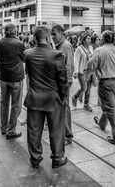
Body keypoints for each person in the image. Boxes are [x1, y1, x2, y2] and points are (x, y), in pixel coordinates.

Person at [24, 26, 68, 169]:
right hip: (53, 98)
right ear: (48, 38)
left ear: (34, 38)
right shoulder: (56, 55)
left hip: (35, 98)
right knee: (56, 129)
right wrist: (63, 96)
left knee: (34, 130)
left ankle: (35, 158)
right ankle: (57, 158)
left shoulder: (28, 54)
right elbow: (63, 80)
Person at [0, 23, 25, 139]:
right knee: (16, 105)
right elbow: (24, 58)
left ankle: (3, 128)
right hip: (16, 77)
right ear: (14, 32)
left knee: (4, 103)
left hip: (4, 77)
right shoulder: (19, 44)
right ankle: (11, 130)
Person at [87, 30, 115, 145]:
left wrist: (87, 75)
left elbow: (90, 64)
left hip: (106, 82)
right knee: (109, 105)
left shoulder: (99, 51)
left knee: (110, 108)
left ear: (103, 39)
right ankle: (102, 124)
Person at [51, 24, 74, 145]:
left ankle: (68, 135)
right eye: (52, 34)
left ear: (61, 33)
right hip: (58, 81)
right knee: (60, 107)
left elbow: (69, 66)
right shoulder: (57, 45)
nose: (52, 36)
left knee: (65, 108)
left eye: (54, 34)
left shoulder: (66, 46)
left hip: (64, 82)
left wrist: (67, 83)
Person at [72, 32, 94, 112]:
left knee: (88, 89)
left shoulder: (91, 48)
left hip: (90, 71)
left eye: (90, 38)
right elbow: (76, 60)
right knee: (84, 88)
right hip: (82, 72)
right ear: (83, 40)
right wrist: (76, 71)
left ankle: (86, 104)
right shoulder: (79, 49)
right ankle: (75, 97)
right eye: (88, 38)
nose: (90, 40)